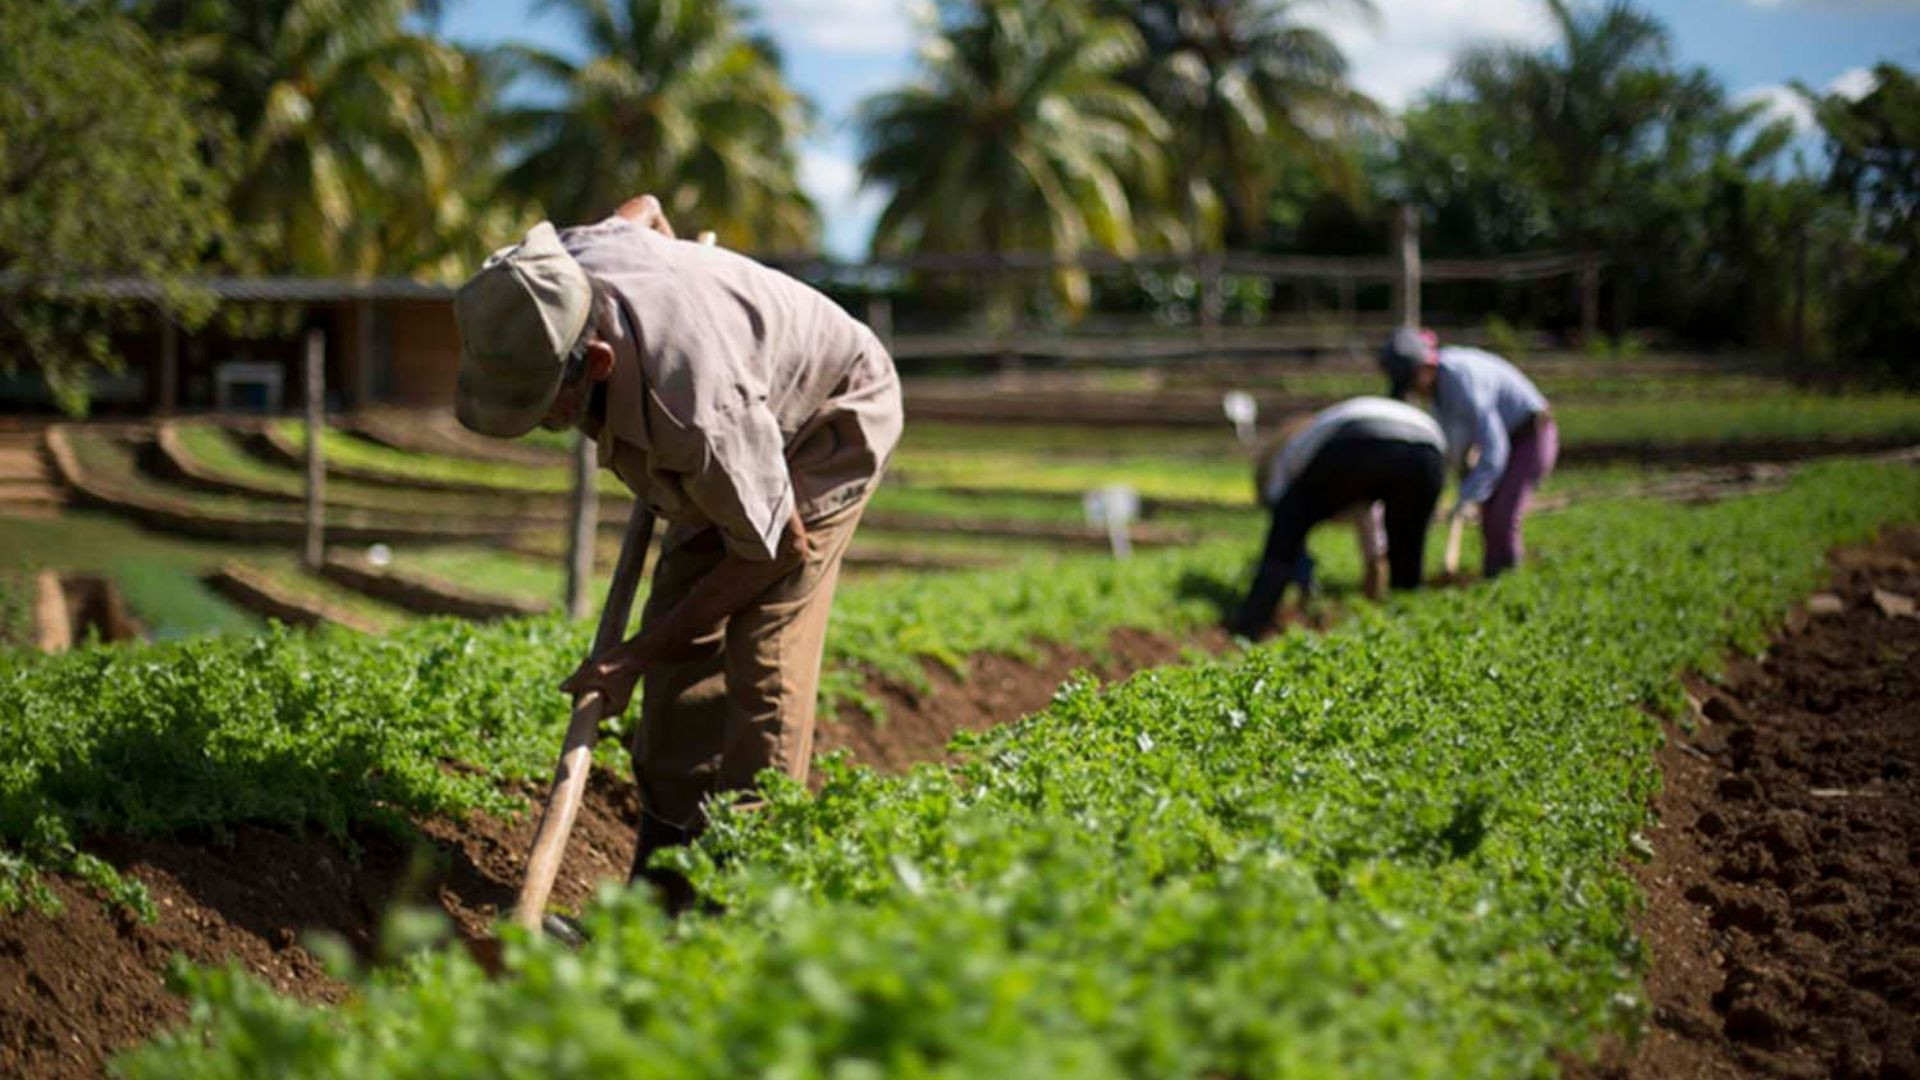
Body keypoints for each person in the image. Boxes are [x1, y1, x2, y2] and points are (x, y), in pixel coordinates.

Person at [451, 196, 903, 902]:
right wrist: (675, 257)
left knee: (765, 653)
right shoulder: (555, 273)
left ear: (595, 361)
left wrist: (631, 653)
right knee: (680, 652)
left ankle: (743, 894)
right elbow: (646, 210)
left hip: (826, 418)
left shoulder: (695, 412)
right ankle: (666, 883)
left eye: (545, 405)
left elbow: (775, 551)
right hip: (735, 429)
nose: (544, 424)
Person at [1226, 396, 1446, 638]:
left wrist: (1287, 561)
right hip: (1429, 448)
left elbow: (1282, 512)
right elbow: (1374, 546)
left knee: (1284, 536)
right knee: (1407, 552)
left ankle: (1252, 624)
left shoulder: (1291, 454)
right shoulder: (1357, 489)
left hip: (1359, 438)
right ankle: (1408, 632)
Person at [1378, 327, 1556, 578]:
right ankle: (1492, 578)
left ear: (1426, 368)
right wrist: (1462, 474)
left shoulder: (1462, 378)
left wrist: (1467, 496)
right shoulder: (1438, 393)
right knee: (1490, 516)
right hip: (1505, 439)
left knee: (1503, 514)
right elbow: (1454, 443)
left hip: (1529, 436)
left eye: (1411, 380)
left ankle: (1507, 584)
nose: (1413, 391)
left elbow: (1495, 447)